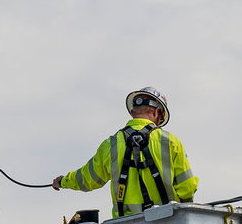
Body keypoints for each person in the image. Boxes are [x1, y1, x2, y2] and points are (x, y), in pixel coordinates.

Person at [52, 87, 197, 217]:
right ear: (156, 112)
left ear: (133, 112)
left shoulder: (111, 144)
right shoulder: (170, 142)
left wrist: (64, 181)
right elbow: (187, 187)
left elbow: (88, 179)